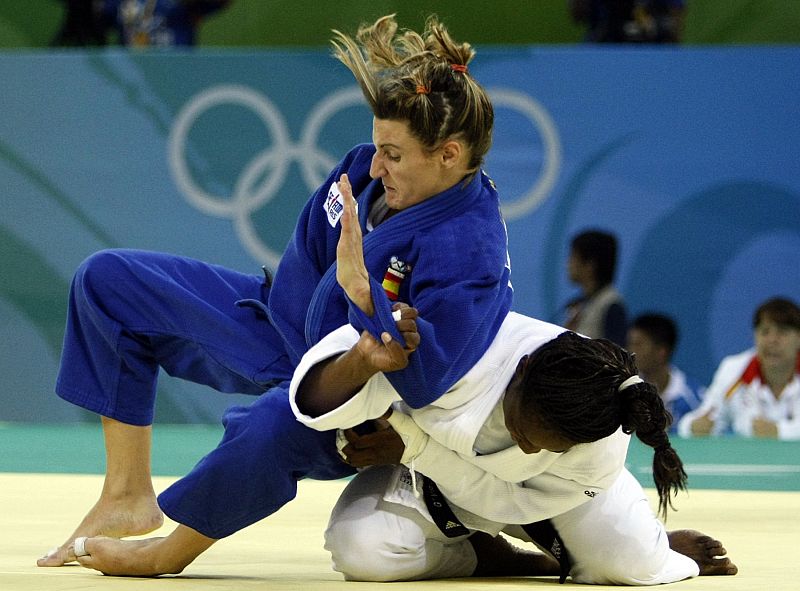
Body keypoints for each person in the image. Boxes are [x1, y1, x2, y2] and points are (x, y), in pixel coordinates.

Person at [38, 13, 512, 575]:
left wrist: (362, 297)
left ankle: (166, 552)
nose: (376, 162)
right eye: (379, 145)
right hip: (284, 332)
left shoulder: (471, 247)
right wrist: (299, 332)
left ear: (450, 156)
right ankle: (125, 495)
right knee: (107, 282)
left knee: (266, 428)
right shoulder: (362, 170)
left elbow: (428, 373)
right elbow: (306, 255)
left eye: (394, 154)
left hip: (359, 396)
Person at [287, 307, 737, 583]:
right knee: (364, 551)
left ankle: (644, 544)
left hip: (535, 498)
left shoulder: (599, 442)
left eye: (544, 443)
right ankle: (498, 556)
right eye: (521, 425)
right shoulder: (470, 343)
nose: (521, 442)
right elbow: (344, 361)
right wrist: (364, 371)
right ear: (520, 371)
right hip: (423, 474)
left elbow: (507, 500)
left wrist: (414, 446)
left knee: (631, 567)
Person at [678, 297, 800, 440]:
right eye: (765, 332)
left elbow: (777, 432)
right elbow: (708, 414)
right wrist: (693, 426)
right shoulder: (733, 370)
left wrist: (778, 431)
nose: (772, 340)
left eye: (782, 332)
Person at [626, 313, 704, 432]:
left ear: (661, 352)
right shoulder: (624, 391)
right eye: (630, 344)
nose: (631, 352)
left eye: (638, 345)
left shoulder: (694, 398)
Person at [51, 0, 232, 47]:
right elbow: (88, 16)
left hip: (177, 72)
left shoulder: (184, 4)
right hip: (133, 76)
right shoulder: (121, 3)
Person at [563, 228, 628, 346]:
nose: (567, 264)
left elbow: (616, 359)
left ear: (590, 265)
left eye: (573, 257)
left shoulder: (612, 306)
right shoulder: (580, 305)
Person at [568, 0, 686, 44]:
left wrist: (673, 53)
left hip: (652, 41)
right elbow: (578, 16)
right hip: (606, 41)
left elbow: (675, 13)